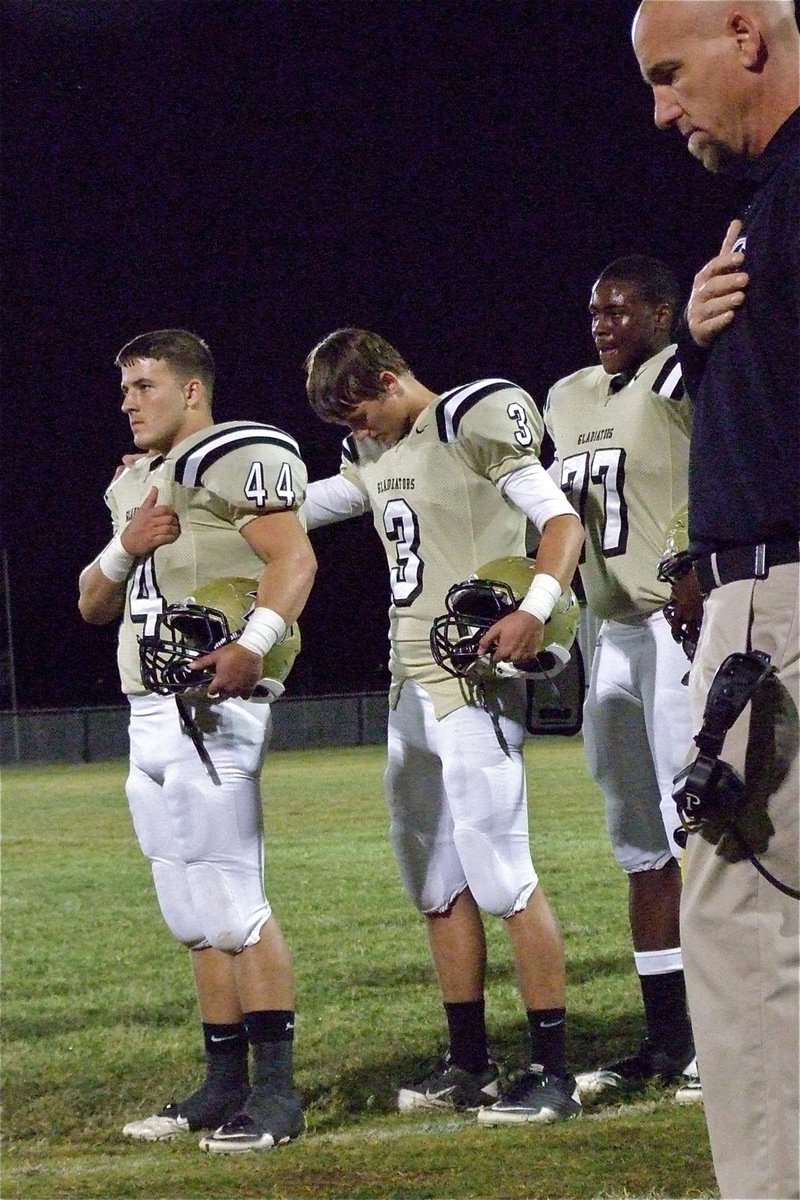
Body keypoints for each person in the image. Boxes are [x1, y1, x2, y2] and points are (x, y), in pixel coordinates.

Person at [301, 328, 585, 1125]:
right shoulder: (372, 455)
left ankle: (551, 1071)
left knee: (504, 874)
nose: (354, 433)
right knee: (433, 879)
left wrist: (534, 608)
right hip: (410, 683)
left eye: (358, 413)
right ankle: (469, 1062)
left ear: (390, 380)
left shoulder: (468, 419)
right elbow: (314, 502)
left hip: (473, 677)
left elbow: (561, 522)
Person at [632, 5, 800, 1198]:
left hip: (776, 607)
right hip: (758, 595)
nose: (659, 109)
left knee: (748, 940)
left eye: (668, 72)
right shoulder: (763, 204)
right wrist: (697, 353)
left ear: (744, 33)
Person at [78, 329, 317, 1154]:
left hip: (213, 707)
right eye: (124, 387)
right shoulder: (138, 482)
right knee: (189, 908)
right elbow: (90, 602)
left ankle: (277, 1096)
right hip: (145, 707)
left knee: (235, 903)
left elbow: (294, 558)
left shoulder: (233, 454)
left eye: (144, 385)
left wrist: (253, 641)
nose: (128, 400)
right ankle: (222, 1086)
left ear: (190, 391)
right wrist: (125, 544)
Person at [544, 256, 701, 1106]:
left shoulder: (685, 372)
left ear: (663, 312)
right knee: (638, 841)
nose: (602, 323)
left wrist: (699, 560)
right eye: (593, 310)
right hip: (606, 630)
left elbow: (741, 454)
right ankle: (669, 1040)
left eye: (618, 310)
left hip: (675, 623)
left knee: (702, 833)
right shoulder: (565, 397)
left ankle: (725, 1031)